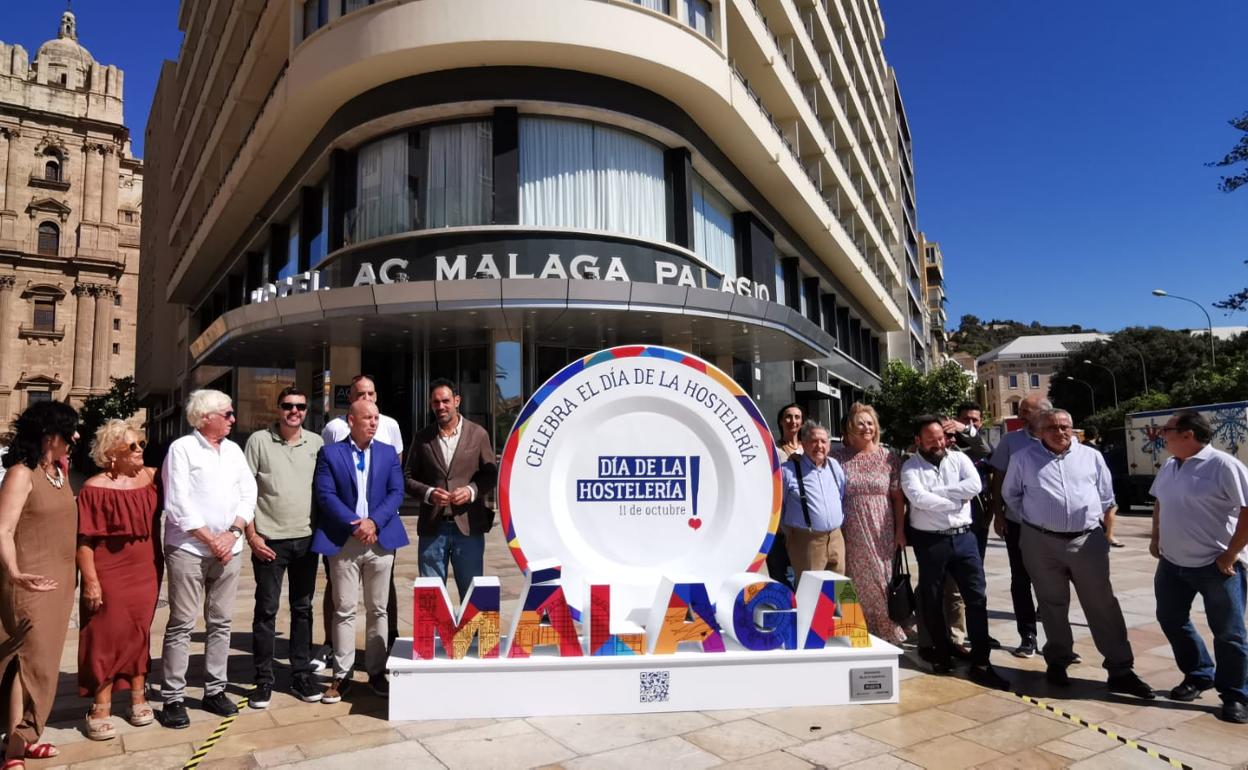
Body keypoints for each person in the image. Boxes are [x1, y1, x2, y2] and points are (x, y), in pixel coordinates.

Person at [1004, 408, 1154, 698]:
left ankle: (1121, 669)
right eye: (1052, 428)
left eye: (1065, 427)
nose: (1060, 432)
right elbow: (1012, 495)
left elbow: (1106, 496)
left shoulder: (1092, 457)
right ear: (1039, 432)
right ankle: (1058, 661)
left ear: (1073, 429)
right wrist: (1041, 520)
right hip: (1041, 541)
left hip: (1087, 541)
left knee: (1102, 604)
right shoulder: (1023, 459)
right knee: (1051, 603)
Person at [159, 390, 258, 729]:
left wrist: (231, 533)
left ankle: (214, 689)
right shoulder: (182, 450)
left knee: (221, 622)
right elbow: (177, 503)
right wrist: (210, 538)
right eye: (227, 414)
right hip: (188, 550)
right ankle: (172, 696)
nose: (233, 419)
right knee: (182, 624)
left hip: (230, 549)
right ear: (206, 417)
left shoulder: (233, 450)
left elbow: (249, 493)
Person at [1149, 410, 1248, 724]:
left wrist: (1231, 554)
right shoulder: (1169, 465)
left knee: (1229, 633)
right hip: (1172, 563)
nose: (1162, 434)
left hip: (1216, 565)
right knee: (1171, 619)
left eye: (1167, 429)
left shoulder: (1223, 465)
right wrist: (1156, 538)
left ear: (1187, 434)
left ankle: (1236, 695)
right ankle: (1198, 673)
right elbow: (1160, 502)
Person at [901, 415, 1008, 689]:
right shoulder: (910, 467)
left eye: (941, 438)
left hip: (964, 539)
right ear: (918, 441)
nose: (939, 444)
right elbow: (918, 498)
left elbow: (974, 486)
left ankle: (982, 661)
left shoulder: (959, 459)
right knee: (932, 598)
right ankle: (941, 652)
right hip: (930, 542)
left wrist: (940, 494)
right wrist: (956, 499)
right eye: (931, 440)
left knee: (976, 597)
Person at [0, 401, 79, 765]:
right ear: (50, 436)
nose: (75, 437)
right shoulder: (21, 473)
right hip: (29, 580)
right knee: (33, 663)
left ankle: (23, 737)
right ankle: (16, 745)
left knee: (37, 662)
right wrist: (15, 572)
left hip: (60, 582)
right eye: (70, 430)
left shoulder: (60, 472)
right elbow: (3, 528)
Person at [313, 400, 408, 703]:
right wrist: (355, 523)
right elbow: (325, 494)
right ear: (350, 420)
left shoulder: (387, 452)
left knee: (378, 609)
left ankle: (377, 672)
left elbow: (396, 492)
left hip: (379, 540)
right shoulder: (330, 453)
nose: (373, 423)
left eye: (376, 418)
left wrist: (373, 522)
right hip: (344, 541)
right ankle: (342, 675)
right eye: (367, 418)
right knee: (344, 609)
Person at [77, 420, 161, 741]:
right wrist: (91, 580)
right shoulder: (93, 488)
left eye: (141, 443)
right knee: (105, 632)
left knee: (139, 630)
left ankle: (138, 696)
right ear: (112, 452)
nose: (140, 449)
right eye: (132, 446)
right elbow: (84, 541)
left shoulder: (152, 479)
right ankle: (101, 703)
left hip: (147, 568)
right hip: (108, 569)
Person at [243, 386, 324, 708]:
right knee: (266, 611)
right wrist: (253, 537)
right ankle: (263, 680)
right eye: (289, 406)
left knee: (303, 610)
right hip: (269, 543)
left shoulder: (316, 444)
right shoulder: (258, 442)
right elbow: (245, 492)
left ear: (306, 410)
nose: (295, 411)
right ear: (278, 409)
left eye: (300, 406)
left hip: (305, 541)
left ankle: (301, 674)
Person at [405, 379, 498, 601]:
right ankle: (438, 637)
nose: (441, 406)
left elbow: (491, 474)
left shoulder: (478, 434)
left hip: (468, 527)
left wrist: (472, 490)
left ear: (457, 401)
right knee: (431, 596)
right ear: (430, 404)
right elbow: (407, 478)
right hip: (433, 528)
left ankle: (473, 637)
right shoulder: (423, 437)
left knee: (473, 595)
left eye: (446, 401)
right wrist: (429, 493)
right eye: (436, 402)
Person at [830, 403, 908, 644]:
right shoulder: (838, 456)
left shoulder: (889, 457)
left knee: (882, 579)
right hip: (850, 528)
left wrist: (900, 531)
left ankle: (887, 630)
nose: (866, 427)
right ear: (851, 428)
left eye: (870, 423)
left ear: (876, 427)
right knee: (852, 579)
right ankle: (856, 629)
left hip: (881, 527)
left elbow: (897, 498)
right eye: (860, 423)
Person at [987, 394, 1047, 658]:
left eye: (1026, 411)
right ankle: (1028, 636)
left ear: (1043, 413)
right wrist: (998, 515)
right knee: (1020, 580)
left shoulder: (1056, 437)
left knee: (1052, 581)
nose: (1020, 415)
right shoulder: (1011, 441)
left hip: (1052, 527)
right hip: (1018, 522)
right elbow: (997, 478)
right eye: (1020, 410)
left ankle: (1059, 642)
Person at [781, 420, 848, 583]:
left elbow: (841, 494)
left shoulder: (834, 466)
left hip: (835, 538)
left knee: (838, 591)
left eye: (823, 441)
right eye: (814, 441)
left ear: (829, 445)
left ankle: (834, 610)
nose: (819, 445)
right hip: (806, 542)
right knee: (811, 595)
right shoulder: (788, 470)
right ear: (803, 443)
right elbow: (777, 507)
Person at [769, 403, 803, 589]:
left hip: (802, 529)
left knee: (803, 578)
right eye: (788, 417)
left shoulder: (809, 449)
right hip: (779, 528)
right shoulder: (773, 451)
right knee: (781, 579)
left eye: (797, 417)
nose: (793, 421)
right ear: (781, 421)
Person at [1082, 426, 1123, 547]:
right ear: (1096, 435)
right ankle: (1109, 536)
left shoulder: (1079, 448)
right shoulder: (1095, 450)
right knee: (1111, 507)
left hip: (1085, 484)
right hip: (1097, 483)